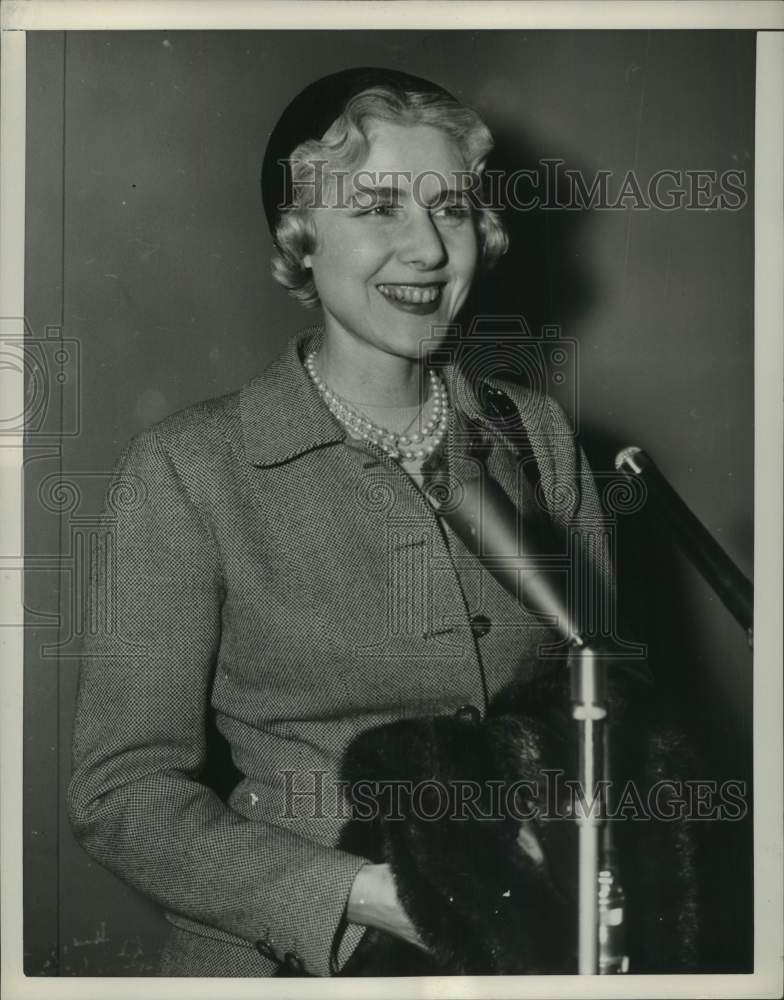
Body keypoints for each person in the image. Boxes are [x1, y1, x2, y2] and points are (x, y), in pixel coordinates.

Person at [67, 67, 610, 978]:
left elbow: (599, 702)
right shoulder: (187, 469)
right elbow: (123, 796)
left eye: (451, 207)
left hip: (527, 947)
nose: (428, 249)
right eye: (378, 208)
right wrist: (357, 896)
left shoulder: (538, 436)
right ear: (301, 237)